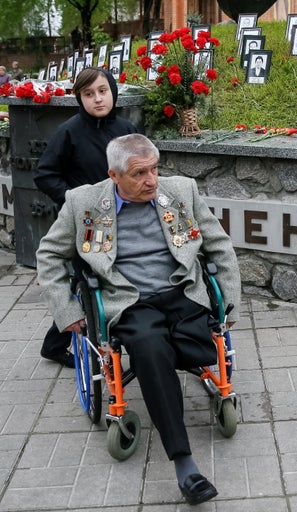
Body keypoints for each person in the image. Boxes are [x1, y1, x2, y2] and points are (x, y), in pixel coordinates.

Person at [36, 133, 242, 506]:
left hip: (182, 292)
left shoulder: (181, 190)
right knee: (148, 347)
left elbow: (219, 245)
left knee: (195, 345)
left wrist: (229, 304)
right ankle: (185, 465)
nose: (151, 180)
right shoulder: (82, 202)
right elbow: (49, 255)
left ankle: (169, 365)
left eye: (154, 169)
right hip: (128, 302)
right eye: (139, 173)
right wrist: (66, 313)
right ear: (114, 175)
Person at [33, 67, 138, 368]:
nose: (97, 99)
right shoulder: (68, 132)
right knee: (87, 282)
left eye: (103, 91)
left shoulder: (126, 129)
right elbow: (44, 174)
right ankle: (88, 347)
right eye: (89, 94)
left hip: (122, 216)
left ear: (113, 92)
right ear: (80, 98)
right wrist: (74, 200)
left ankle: (56, 343)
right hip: (86, 223)